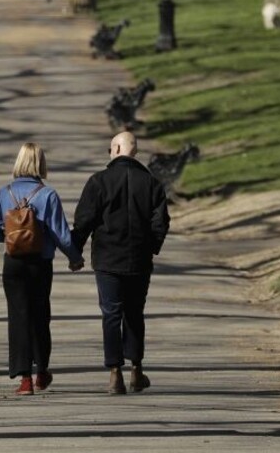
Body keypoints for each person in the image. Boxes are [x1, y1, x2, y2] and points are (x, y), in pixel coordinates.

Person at [0, 142, 85, 396]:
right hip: (40, 263)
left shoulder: (3, 193)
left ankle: (24, 378)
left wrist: (10, 238)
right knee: (40, 315)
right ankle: (42, 372)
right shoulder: (48, 195)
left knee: (18, 317)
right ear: (41, 164)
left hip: (13, 263)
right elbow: (61, 234)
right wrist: (75, 258)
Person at [72, 131, 170, 395]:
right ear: (134, 152)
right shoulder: (151, 184)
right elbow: (161, 222)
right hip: (139, 260)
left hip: (107, 260)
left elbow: (84, 221)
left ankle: (115, 372)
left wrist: (75, 252)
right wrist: (151, 248)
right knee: (135, 313)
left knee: (111, 314)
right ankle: (136, 369)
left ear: (115, 149)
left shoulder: (98, 182)